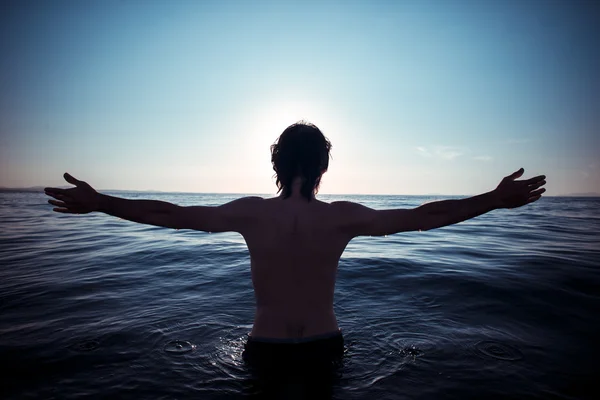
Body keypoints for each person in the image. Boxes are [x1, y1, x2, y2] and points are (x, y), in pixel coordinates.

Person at [45, 121, 546, 397]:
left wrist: (103, 202)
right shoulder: (342, 218)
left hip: (264, 348)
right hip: (326, 347)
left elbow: (172, 214)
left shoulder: (250, 215)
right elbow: (420, 217)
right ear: (324, 165)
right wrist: (489, 199)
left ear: (276, 164)